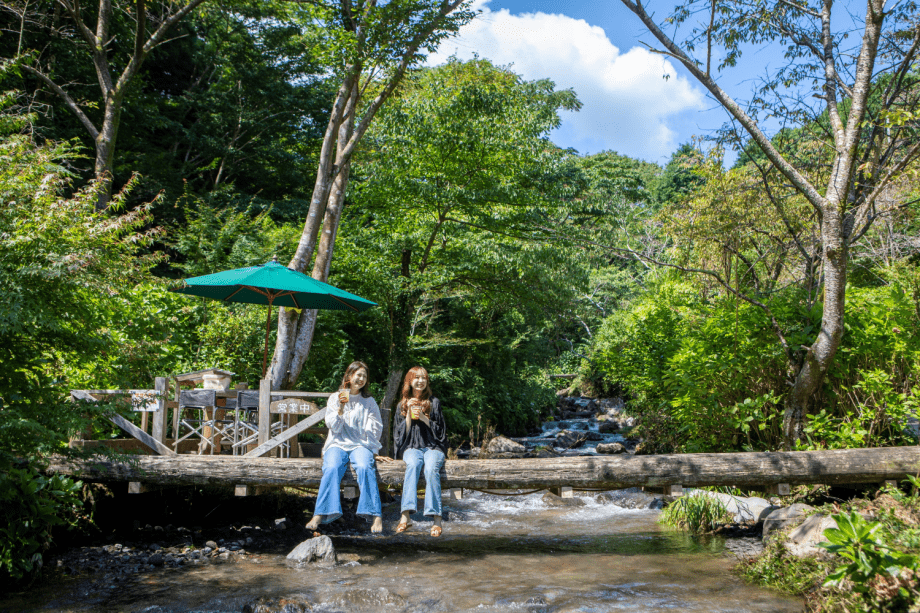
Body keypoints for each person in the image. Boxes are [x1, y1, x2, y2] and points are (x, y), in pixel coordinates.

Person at [305, 361, 389, 533]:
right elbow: (333, 427)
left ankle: (376, 515)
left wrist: (373, 451)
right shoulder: (335, 398)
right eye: (358, 375)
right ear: (349, 376)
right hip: (337, 444)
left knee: (365, 466)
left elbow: (376, 428)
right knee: (332, 467)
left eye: (364, 376)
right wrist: (341, 407)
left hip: (360, 445)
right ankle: (320, 513)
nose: (361, 379)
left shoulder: (369, 401)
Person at [393, 366, 448, 537]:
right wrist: (409, 414)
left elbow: (442, 433)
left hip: (433, 447)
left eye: (424, 377)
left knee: (431, 468)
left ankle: (437, 519)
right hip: (412, 448)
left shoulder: (434, 402)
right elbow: (398, 436)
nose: (421, 381)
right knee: (413, 464)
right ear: (409, 381)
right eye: (416, 377)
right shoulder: (402, 405)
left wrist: (424, 418)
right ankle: (406, 516)